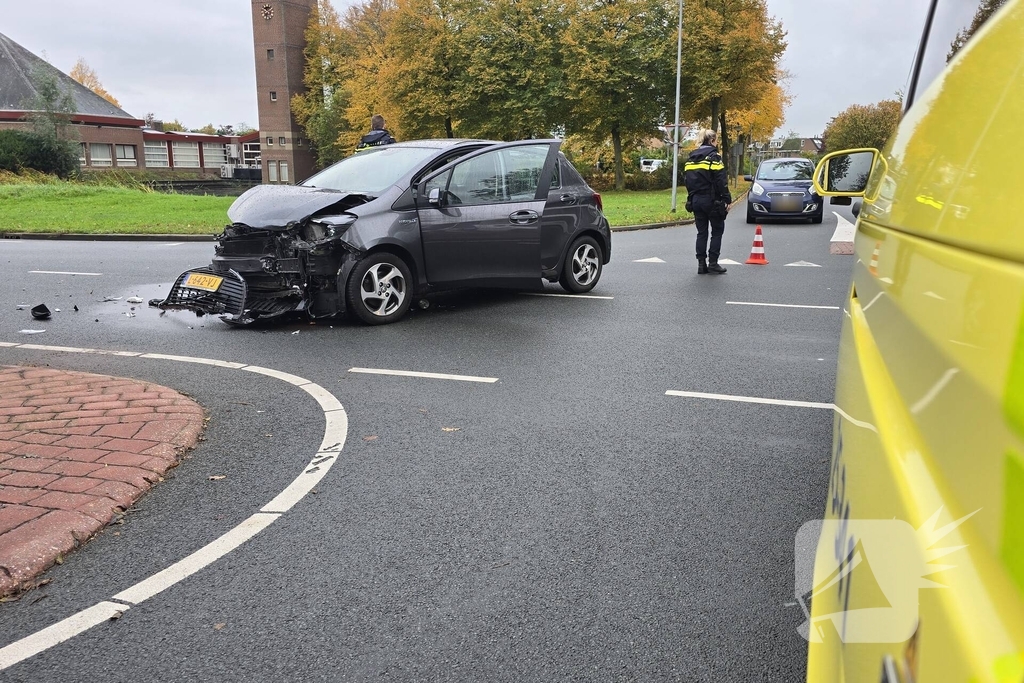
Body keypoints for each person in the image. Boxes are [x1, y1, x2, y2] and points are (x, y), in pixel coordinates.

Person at [684, 129, 732, 274]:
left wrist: (691, 198)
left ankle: (701, 264)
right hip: (712, 200)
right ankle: (713, 263)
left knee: (701, 232)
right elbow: (720, 180)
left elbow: (687, 180)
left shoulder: (691, 158)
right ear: (711, 140)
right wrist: (726, 199)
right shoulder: (714, 157)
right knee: (717, 231)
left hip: (696, 200)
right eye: (716, 140)